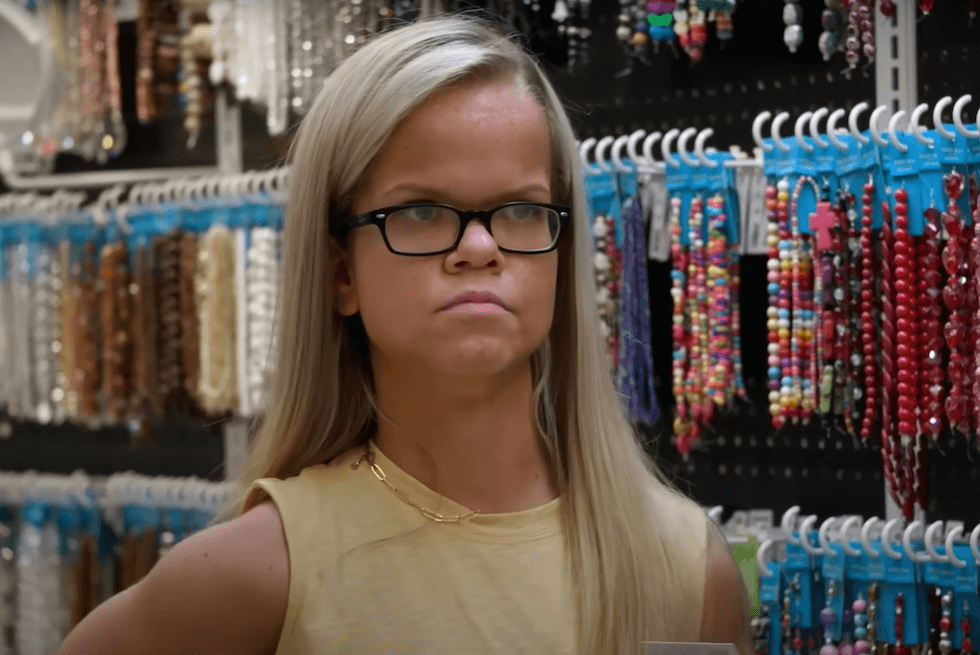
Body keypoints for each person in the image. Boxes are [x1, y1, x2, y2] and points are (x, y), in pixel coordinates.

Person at [58, 13, 751, 655]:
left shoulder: (683, 565)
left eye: (519, 209)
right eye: (421, 211)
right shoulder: (258, 573)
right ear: (340, 274)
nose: (479, 247)